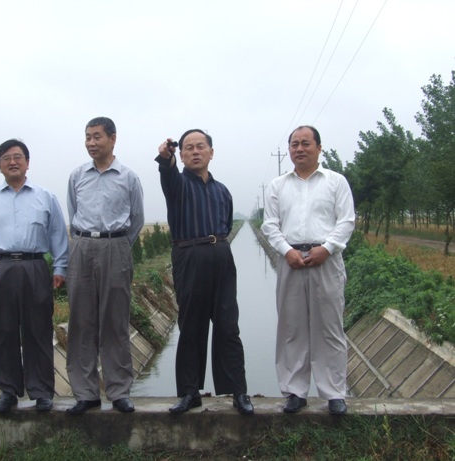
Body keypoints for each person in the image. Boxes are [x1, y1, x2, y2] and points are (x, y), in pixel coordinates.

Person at [156, 129, 254, 415]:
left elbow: (227, 225)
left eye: (200, 146)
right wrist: (166, 158)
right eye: (189, 148)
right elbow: (168, 172)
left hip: (221, 256)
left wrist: (217, 247)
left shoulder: (222, 190)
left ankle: (238, 391)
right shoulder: (177, 184)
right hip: (189, 256)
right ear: (181, 155)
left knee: (228, 325)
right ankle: (189, 392)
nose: (195, 152)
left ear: (211, 152)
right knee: (191, 327)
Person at [0, 139, 69, 413]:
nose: (12, 162)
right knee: (2, 331)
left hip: (34, 266)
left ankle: (42, 391)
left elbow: (58, 235)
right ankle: (8, 391)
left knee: (38, 329)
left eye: (18, 157)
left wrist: (60, 268)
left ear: (27, 162)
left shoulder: (45, 197)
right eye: (6, 158)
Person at [261, 125, 355, 415]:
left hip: (326, 260)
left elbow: (346, 221)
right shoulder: (278, 186)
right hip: (290, 260)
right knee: (291, 328)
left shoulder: (336, 182)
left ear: (319, 148)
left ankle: (334, 393)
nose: (299, 149)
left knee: (330, 328)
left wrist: (326, 248)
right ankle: (294, 392)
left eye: (305, 143)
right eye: (294, 144)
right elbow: (270, 225)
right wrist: (286, 250)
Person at [65, 117, 144, 414]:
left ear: (113, 139)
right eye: (87, 137)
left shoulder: (128, 177)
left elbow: (137, 218)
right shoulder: (77, 176)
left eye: (97, 136)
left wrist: (118, 245)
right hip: (82, 247)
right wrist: (85, 242)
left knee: (115, 321)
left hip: (116, 247)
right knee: (80, 322)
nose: (91, 142)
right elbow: (73, 213)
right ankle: (85, 393)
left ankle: (119, 390)